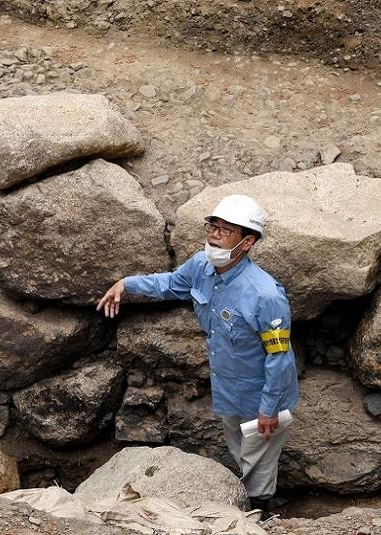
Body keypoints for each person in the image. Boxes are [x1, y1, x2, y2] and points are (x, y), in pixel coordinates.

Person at [96, 194, 299, 518]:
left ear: (247, 243)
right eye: (213, 226)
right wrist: (126, 284)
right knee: (241, 451)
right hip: (228, 387)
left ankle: (258, 515)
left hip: (262, 394)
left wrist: (269, 409)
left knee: (257, 464)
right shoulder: (201, 267)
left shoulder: (265, 295)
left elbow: (279, 357)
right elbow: (169, 284)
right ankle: (247, 507)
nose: (215, 235)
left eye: (226, 230)